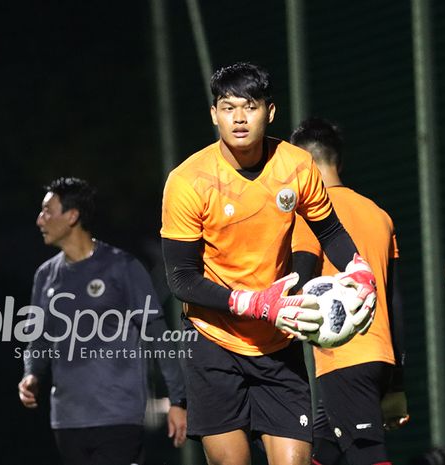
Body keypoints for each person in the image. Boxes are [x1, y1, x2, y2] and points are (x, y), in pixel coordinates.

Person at [160, 62, 376, 465]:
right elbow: (181, 279)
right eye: (228, 107)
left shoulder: (295, 165)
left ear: (270, 112)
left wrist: (359, 270)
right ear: (213, 115)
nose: (239, 118)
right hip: (214, 344)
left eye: (250, 106)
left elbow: (329, 231)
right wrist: (253, 302)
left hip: (278, 343)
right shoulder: (188, 180)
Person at [17, 177, 187, 465]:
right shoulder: (46, 276)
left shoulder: (122, 267)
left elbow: (157, 335)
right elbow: (39, 337)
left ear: (72, 216)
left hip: (120, 416)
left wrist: (177, 400)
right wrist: (32, 373)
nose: (39, 220)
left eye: (47, 211)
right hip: (67, 420)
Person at [290, 117, 407, 465]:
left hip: (344, 359)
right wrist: (398, 382)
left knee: (367, 455)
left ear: (303, 168)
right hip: (380, 357)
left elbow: (296, 285)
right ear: (338, 161)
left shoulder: (309, 215)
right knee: (323, 451)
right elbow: (394, 301)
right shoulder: (379, 214)